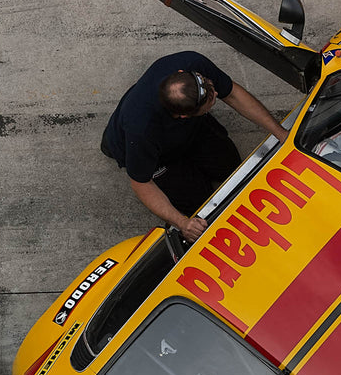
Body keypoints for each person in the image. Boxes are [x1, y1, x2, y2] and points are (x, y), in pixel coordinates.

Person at [100, 50, 287, 242]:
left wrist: (280, 133)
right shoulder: (141, 130)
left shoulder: (191, 63)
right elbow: (141, 183)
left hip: (190, 130)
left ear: (182, 72)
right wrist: (183, 223)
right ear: (184, 115)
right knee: (201, 205)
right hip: (156, 156)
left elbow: (233, 95)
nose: (215, 92)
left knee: (230, 167)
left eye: (209, 86)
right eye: (210, 100)